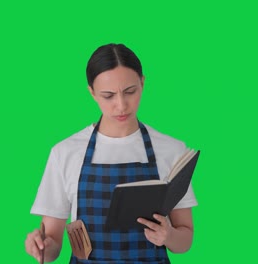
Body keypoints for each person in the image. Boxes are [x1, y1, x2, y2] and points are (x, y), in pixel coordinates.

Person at [25, 43, 198, 263]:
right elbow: (52, 247)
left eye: (130, 91)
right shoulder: (65, 152)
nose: (121, 105)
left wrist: (169, 235)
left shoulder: (172, 150)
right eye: (108, 96)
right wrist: (41, 246)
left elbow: (185, 239)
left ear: (142, 83)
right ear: (92, 93)